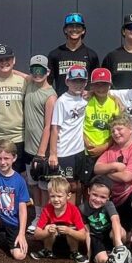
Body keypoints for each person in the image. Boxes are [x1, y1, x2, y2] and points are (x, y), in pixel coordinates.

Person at [93, 116, 132, 232]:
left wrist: (107, 174)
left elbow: (127, 177)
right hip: (115, 198)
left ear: (130, 129)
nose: (116, 133)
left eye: (119, 129)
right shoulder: (110, 151)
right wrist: (114, 166)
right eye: (113, 131)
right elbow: (97, 168)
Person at [47, 65, 91, 199]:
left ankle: (76, 217)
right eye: (74, 81)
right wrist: (53, 154)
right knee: (67, 187)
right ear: (67, 82)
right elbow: (55, 128)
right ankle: (66, 219)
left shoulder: (85, 98)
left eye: (81, 81)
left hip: (79, 150)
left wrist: (90, 92)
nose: (78, 84)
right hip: (65, 151)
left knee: (79, 185)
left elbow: (102, 91)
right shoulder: (62, 101)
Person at [23, 55, 57, 224]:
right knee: (33, 184)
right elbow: (20, 74)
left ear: (48, 72)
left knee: (44, 187)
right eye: (34, 70)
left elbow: (49, 126)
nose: (37, 74)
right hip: (28, 148)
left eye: (41, 70)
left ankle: (45, 218)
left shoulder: (50, 96)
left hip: (40, 150)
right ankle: (37, 216)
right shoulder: (29, 83)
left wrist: (41, 153)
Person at [29, 177, 88, 263]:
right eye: (53, 196)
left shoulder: (74, 210)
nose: (56, 199)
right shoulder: (47, 209)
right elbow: (36, 234)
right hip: (52, 242)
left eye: (59, 196)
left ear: (68, 196)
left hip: (70, 243)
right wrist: (48, 232)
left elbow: (83, 236)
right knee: (48, 227)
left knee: (72, 228)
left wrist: (69, 231)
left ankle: (74, 252)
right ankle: (47, 251)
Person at [0, 43, 27, 171]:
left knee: (18, 177)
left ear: (14, 60)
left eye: (7, 59)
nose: (4, 62)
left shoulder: (23, 81)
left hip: (18, 138)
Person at [47, 12, 100, 96]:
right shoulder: (55, 54)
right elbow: (47, 83)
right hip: (62, 103)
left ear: (83, 31)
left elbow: (96, 82)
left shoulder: (91, 55)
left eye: (78, 26)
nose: (74, 29)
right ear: (65, 30)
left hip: (85, 103)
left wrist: (91, 93)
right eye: (71, 26)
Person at [79, 176, 126, 263]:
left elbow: (115, 220)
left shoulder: (109, 204)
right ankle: (109, 255)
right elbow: (87, 231)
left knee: (121, 232)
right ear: (89, 191)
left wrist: (118, 243)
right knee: (102, 261)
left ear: (109, 197)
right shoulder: (82, 208)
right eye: (95, 195)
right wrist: (88, 253)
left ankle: (121, 250)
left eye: (103, 197)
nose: (97, 199)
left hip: (109, 234)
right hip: (96, 237)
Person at [83, 66, 120, 161]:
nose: (101, 88)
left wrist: (104, 147)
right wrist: (86, 143)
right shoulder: (85, 101)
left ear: (110, 85)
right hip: (86, 150)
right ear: (92, 86)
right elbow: (77, 125)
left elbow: (118, 130)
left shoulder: (114, 104)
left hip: (107, 151)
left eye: (104, 84)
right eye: (97, 85)